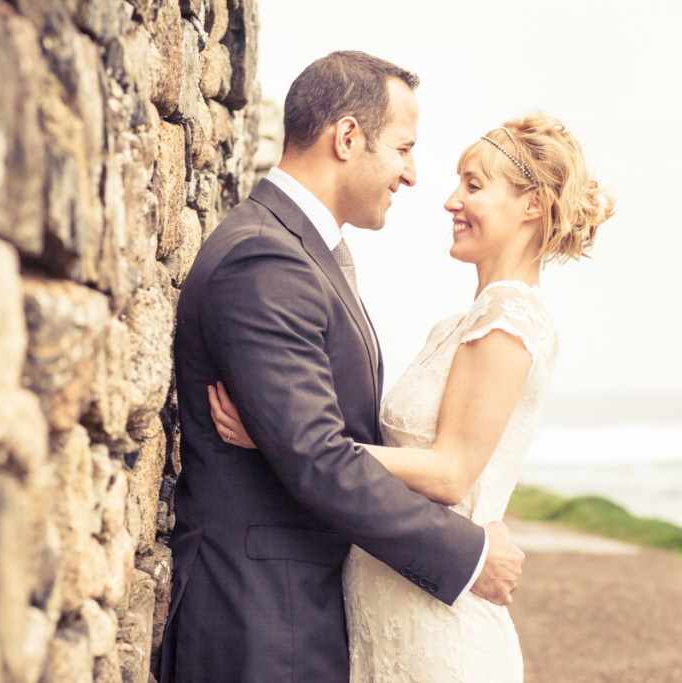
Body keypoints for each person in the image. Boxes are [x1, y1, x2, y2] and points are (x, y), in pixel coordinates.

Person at [159, 50, 527, 683]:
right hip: (259, 622)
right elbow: (317, 459)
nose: (412, 176)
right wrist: (466, 555)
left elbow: (313, 443)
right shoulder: (265, 260)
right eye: (403, 149)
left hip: (297, 613)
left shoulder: (303, 253)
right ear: (348, 137)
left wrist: (290, 441)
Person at [210, 112, 614, 681]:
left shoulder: (508, 319)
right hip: (390, 601)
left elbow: (450, 473)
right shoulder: (458, 323)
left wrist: (284, 439)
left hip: (437, 624)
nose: (451, 200)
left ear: (533, 206)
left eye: (473, 185)